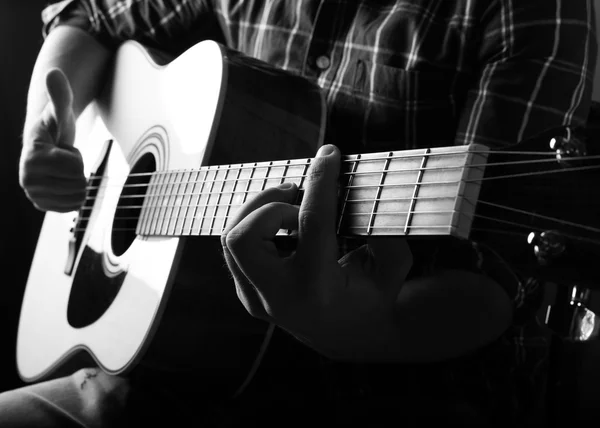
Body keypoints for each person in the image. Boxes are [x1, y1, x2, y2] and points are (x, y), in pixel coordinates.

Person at [2, 0, 597, 426]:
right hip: (174, 356)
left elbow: (493, 287)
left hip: (400, 390)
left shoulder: (535, 10)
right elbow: (86, 18)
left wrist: (358, 331)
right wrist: (41, 130)